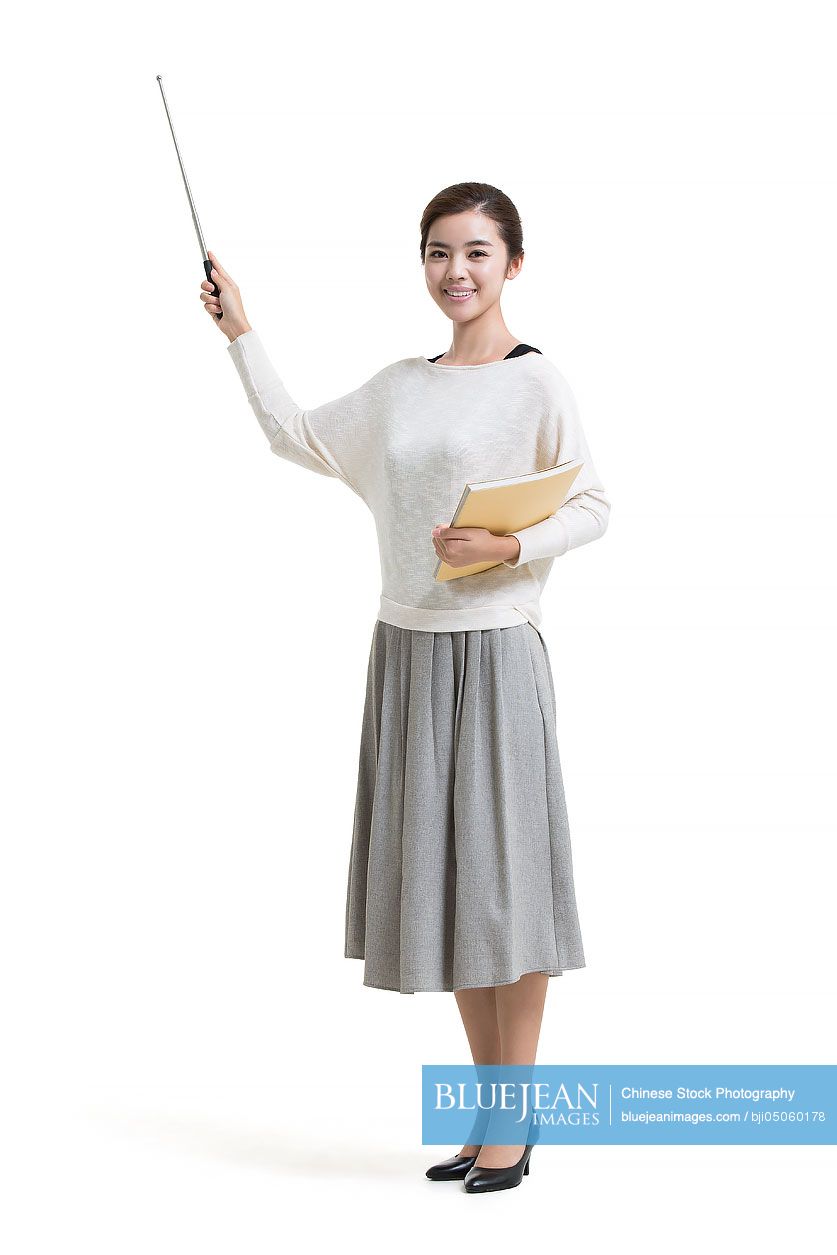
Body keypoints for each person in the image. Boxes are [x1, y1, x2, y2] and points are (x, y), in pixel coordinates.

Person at [200, 182, 611, 1193]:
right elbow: (297, 435)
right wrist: (240, 332)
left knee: (507, 888)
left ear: (513, 262)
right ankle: (491, 1117)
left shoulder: (538, 381)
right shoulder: (399, 384)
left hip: (497, 651)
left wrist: (513, 540)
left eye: (476, 252)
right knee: (462, 893)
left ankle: (515, 1124)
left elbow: (596, 502)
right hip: (410, 651)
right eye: (437, 252)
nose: (455, 271)